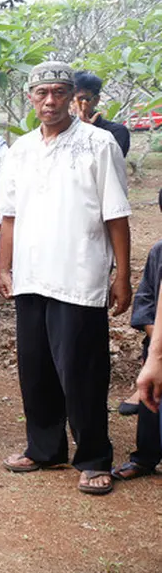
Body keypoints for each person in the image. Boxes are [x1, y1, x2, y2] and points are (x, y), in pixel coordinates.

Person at [0, 61, 132, 496]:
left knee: (82, 371)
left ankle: (93, 457)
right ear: (30, 97)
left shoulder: (98, 143)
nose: (50, 101)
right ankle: (45, 448)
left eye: (59, 92)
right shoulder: (20, 150)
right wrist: (4, 266)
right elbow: (9, 215)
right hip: (31, 274)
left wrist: (122, 274)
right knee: (35, 368)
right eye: (42, 93)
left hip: (79, 274)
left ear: (73, 96)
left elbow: (116, 214)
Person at [113, 189, 162, 482]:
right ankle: (144, 458)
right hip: (156, 346)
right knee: (150, 405)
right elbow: (145, 303)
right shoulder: (158, 252)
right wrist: (156, 340)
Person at [74, 70, 131, 158]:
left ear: (96, 100)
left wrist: (85, 130)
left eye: (82, 99)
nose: (75, 104)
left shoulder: (116, 132)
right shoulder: (59, 130)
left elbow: (106, 162)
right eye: (70, 99)